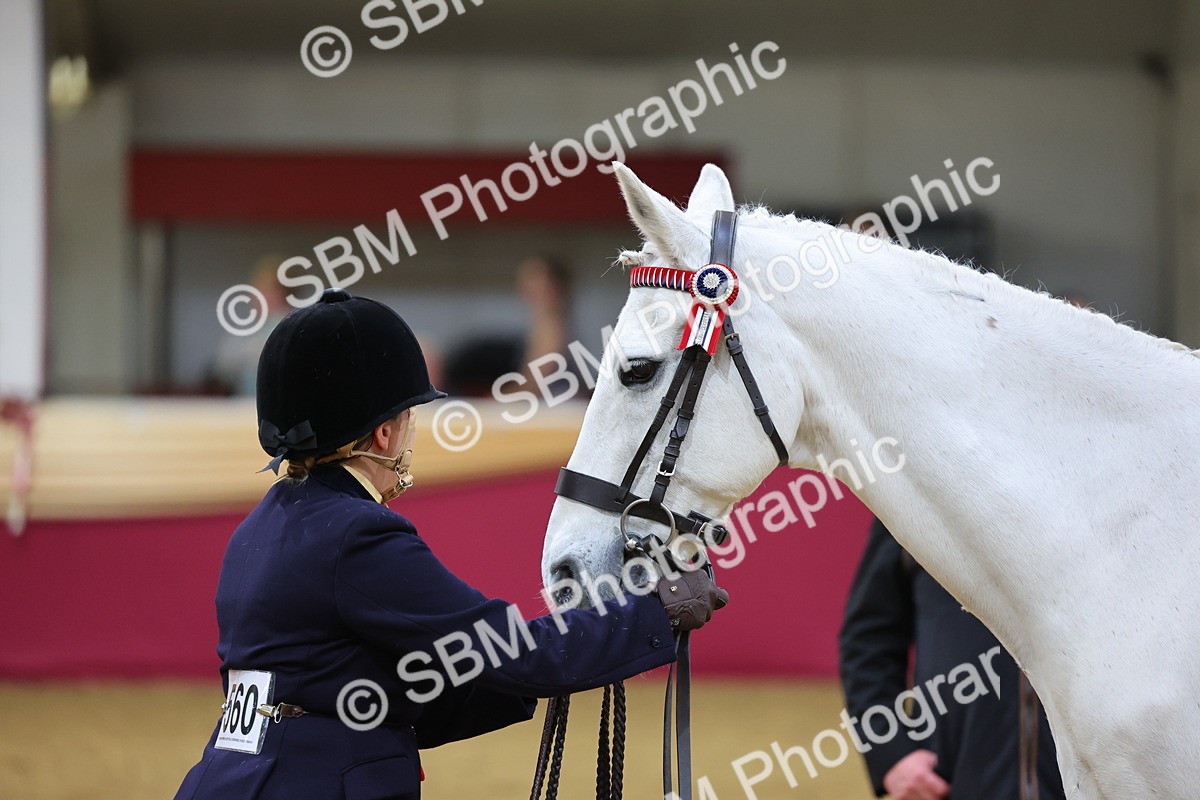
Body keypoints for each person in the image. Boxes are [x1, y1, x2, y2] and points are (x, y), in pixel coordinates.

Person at [174, 288, 728, 800]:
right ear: (383, 433)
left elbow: (381, 699)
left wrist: (524, 683)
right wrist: (654, 611)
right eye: (408, 417)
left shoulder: (256, 530)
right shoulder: (357, 534)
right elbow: (508, 651)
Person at [839, 520, 1065, 800]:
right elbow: (869, 638)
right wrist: (890, 752)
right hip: (950, 784)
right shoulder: (919, 499)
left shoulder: (1103, 499)